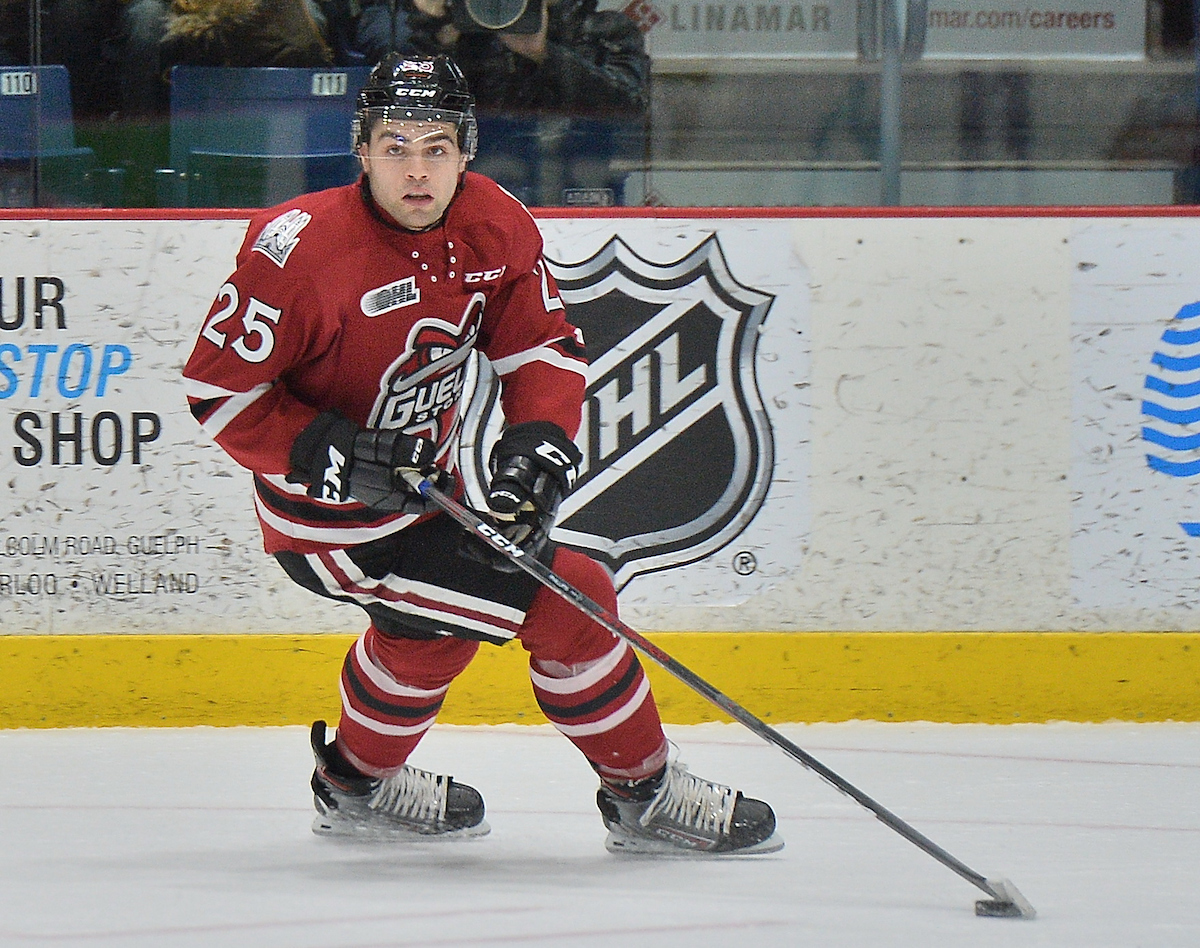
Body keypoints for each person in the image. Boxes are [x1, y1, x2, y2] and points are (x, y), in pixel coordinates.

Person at [181, 52, 780, 855]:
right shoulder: (298, 254)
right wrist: (333, 453)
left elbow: (540, 350)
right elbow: (220, 394)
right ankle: (646, 794)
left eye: (436, 147)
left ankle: (355, 786)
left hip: (434, 490)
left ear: (467, 151)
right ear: (362, 150)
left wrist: (534, 453)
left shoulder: (494, 222)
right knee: (574, 596)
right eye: (396, 146)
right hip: (327, 527)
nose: (417, 171)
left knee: (434, 628)